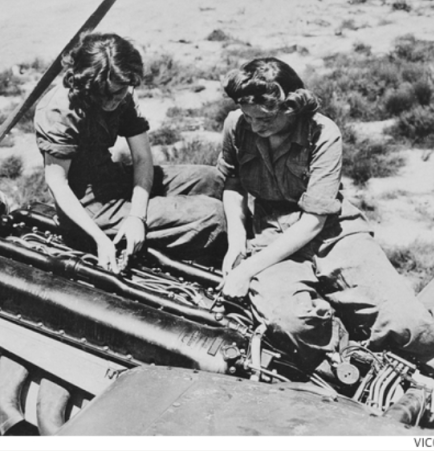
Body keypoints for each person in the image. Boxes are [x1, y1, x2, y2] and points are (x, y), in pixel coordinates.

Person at [216, 57, 434, 371]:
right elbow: (233, 186)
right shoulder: (236, 124)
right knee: (292, 324)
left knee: (412, 328)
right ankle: (350, 358)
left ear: (290, 107)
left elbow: (312, 221)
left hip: (331, 230)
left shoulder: (323, 132)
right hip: (270, 234)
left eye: (263, 119)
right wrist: (237, 244)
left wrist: (246, 270)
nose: (254, 126)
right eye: (249, 117)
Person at [34, 32, 226, 273]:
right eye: (106, 94)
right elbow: (58, 185)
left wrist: (137, 216)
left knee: (215, 179)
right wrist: (99, 239)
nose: (113, 101)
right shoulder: (60, 111)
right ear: (87, 83)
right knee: (213, 215)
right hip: (88, 207)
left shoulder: (122, 87)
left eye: (120, 92)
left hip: (113, 178)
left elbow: (142, 157)